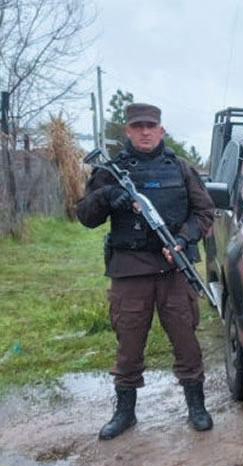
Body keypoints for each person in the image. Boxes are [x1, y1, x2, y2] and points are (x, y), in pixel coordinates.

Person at [76, 103, 216, 439]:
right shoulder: (111, 170)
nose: (144, 132)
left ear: (161, 130)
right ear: (127, 131)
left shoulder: (181, 168)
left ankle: (196, 406)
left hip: (174, 269)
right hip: (129, 271)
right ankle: (125, 413)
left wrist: (183, 239)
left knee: (186, 339)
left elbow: (204, 213)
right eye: (138, 126)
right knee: (129, 342)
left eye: (150, 126)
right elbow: (85, 215)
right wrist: (109, 196)